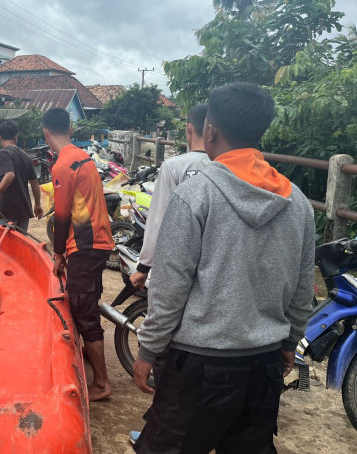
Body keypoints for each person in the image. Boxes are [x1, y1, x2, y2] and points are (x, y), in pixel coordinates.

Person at [132, 83, 315, 453]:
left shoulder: (195, 195)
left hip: (199, 368)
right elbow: (302, 288)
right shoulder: (298, 203)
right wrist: (290, 341)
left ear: (210, 131)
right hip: (263, 364)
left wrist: (148, 350)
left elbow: (169, 289)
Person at [43, 107, 115, 402]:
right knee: (87, 303)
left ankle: (101, 383)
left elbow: (61, 218)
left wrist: (59, 254)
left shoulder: (62, 166)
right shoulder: (83, 157)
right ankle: (90, 350)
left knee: (83, 311)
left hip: (85, 245)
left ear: (46, 133)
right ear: (70, 129)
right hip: (98, 240)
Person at [130, 103, 210, 289]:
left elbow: (158, 219)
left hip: (178, 264)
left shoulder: (174, 167)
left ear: (189, 128)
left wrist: (144, 266)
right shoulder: (225, 167)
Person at [0, 120, 43, 232]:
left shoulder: (4, 153)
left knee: (3, 247)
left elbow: (10, 174)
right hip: (24, 210)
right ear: (16, 137)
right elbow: (34, 182)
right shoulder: (25, 155)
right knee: (20, 245)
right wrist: (37, 204)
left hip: (8, 211)